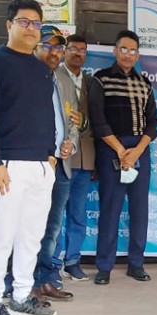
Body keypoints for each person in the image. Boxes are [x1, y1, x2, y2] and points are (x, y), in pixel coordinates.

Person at [0, 0, 58, 315]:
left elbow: (45, 116)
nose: (30, 28)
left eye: (36, 23)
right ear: (8, 25)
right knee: (2, 237)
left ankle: (22, 295)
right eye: (23, 22)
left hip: (41, 166)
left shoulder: (42, 67)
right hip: (8, 164)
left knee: (32, 236)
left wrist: (52, 156)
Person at [88, 30, 157, 285]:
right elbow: (98, 120)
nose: (128, 54)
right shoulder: (100, 80)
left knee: (140, 210)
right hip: (112, 149)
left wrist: (138, 150)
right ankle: (104, 267)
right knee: (110, 209)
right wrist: (120, 151)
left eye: (133, 50)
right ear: (115, 50)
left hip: (139, 149)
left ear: (138, 55)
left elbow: (153, 122)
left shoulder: (145, 84)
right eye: (124, 49)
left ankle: (136, 264)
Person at [31, 25, 79, 301]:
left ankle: (46, 279)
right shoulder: (27, 77)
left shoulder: (64, 80)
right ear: (36, 47)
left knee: (52, 227)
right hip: (35, 164)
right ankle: (19, 283)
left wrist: (71, 141)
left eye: (59, 47)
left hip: (61, 165)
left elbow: (75, 120)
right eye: (48, 45)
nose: (54, 51)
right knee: (28, 226)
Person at [54, 34, 95, 281]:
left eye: (82, 50)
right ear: (64, 51)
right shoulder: (54, 76)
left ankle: (72, 261)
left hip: (85, 157)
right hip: (60, 157)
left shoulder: (92, 83)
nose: (77, 54)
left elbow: (98, 119)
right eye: (73, 49)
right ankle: (51, 263)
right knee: (56, 214)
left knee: (78, 213)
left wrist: (86, 122)